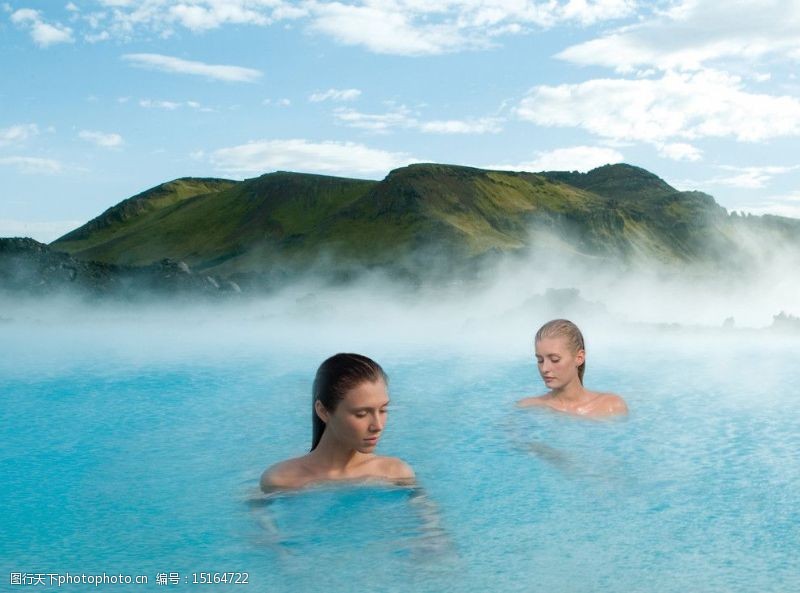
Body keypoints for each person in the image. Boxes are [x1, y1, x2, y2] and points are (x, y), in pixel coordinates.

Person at [260, 353, 415, 491]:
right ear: (323, 411)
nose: (378, 426)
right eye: (361, 414)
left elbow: (428, 522)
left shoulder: (396, 474)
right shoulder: (281, 481)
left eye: (383, 410)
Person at [517, 319, 628, 418]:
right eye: (540, 360)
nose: (544, 368)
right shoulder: (529, 407)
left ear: (579, 358)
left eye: (555, 359)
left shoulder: (610, 406)